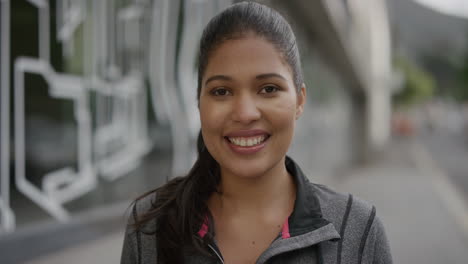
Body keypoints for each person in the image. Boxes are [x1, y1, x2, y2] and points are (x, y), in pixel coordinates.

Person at [121, 2, 392, 264]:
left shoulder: (358, 231)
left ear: (299, 100)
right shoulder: (150, 225)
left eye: (269, 89)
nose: (245, 113)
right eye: (221, 91)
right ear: (199, 102)